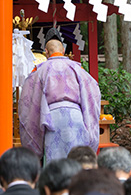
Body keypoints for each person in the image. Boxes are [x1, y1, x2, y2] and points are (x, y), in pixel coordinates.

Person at [18, 27, 101, 163]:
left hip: (52, 120)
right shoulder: (77, 69)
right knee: (77, 160)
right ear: (63, 50)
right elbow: (93, 90)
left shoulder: (40, 70)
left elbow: (27, 99)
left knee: (55, 162)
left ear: (46, 52)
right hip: (76, 118)